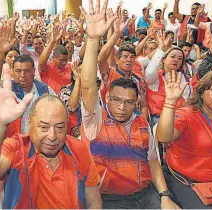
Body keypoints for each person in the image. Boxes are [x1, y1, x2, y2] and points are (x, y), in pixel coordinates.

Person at [79, 1, 180, 208]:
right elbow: (88, 86)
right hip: (109, 198)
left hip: (145, 194)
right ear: (106, 98)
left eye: (128, 102)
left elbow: (152, 161)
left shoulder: (143, 124)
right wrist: (92, 39)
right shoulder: (94, 120)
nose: (122, 107)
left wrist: (165, 195)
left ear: (136, 102)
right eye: (116, 100)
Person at [0, 57, 102, 209]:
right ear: (30, 124)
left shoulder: (79, 149)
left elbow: (94, 203)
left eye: (59, 127)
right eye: (44, 127)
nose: (52, 137)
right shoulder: (17, 147)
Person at [155, 69, 212, 209]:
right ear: (202, 91)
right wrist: (170, 101)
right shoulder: (187, 114)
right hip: (185, 181)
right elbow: (163, 137)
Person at [145, 31, 191, 125]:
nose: (176, 60)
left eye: (180, 58)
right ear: (164, 59)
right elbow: (149, 74)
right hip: (160, 118)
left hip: (181, 116)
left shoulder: (185, 77)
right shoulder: (155, 76)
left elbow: (189, 99)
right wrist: (161, 49)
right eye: (173, 57)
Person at [38, 26, 72, 93]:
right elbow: (41, 62)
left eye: (66, 60)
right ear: (54, 57)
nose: (64, 62)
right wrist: (52, 42)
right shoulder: (47, 67)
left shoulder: (71, 67)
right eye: (61, 60)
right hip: (50, 99)